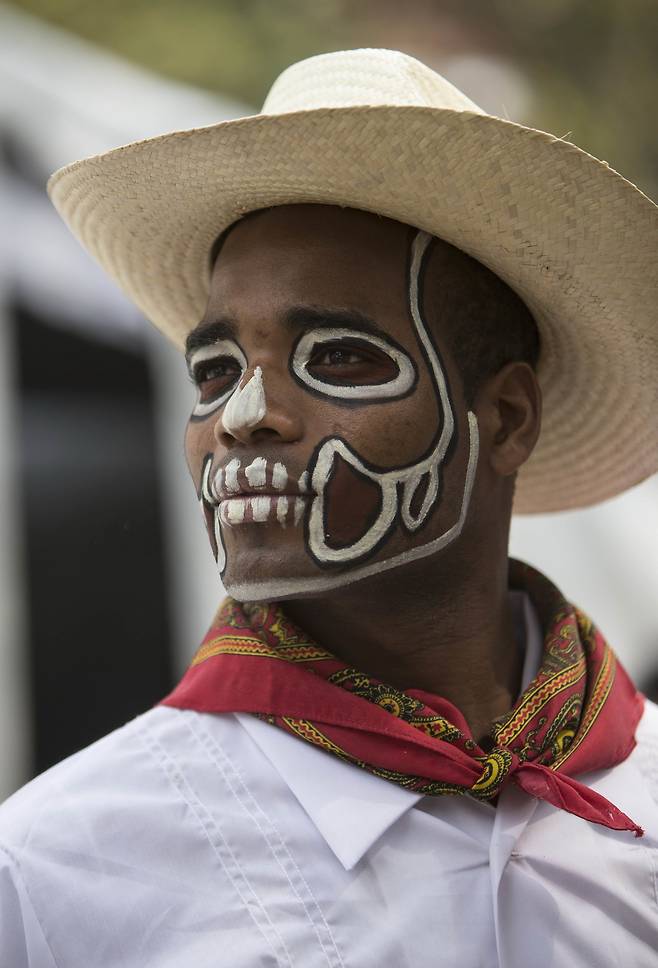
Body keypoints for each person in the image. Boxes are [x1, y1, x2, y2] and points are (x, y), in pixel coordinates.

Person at [1, 48, 657, 967]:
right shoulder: (57, 869)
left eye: (340, 357)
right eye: (215, 371)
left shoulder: (639, 792)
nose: (241, 416)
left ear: (506, 418)